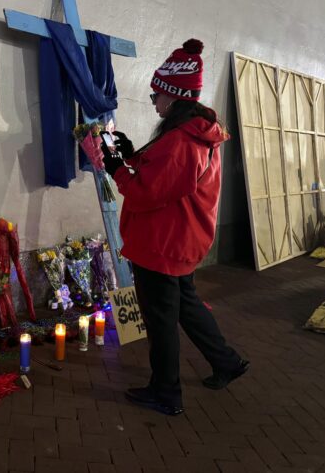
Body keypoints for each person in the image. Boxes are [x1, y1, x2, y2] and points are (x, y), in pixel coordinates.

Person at [102, 38, 249, 416]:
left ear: (174, 96)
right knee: (187, 306)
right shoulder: (193, 132)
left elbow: (149, 192)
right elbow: (166, 176)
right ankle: (226, 361)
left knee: (161, 320)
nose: (154, 102)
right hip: (180, 239)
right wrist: (132, 152)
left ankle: (166, 392)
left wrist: (116, 168)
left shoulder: (183, 140)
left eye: (156, 96)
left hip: (163, 244)